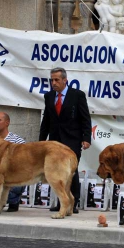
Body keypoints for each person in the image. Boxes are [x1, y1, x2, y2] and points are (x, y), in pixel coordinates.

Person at [39, 67, 92, 214]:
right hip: (54, 141)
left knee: (70, 173)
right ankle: (61, 202)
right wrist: (41, 141)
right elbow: (46, 120)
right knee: (56, 174)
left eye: (56, 80)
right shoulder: (49, 96)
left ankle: (73, 203)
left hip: (72, 139)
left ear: (64, 80)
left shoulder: (77, 95)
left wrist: (86, 138)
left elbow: (85, 118)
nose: (54, 83)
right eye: (52, 80)